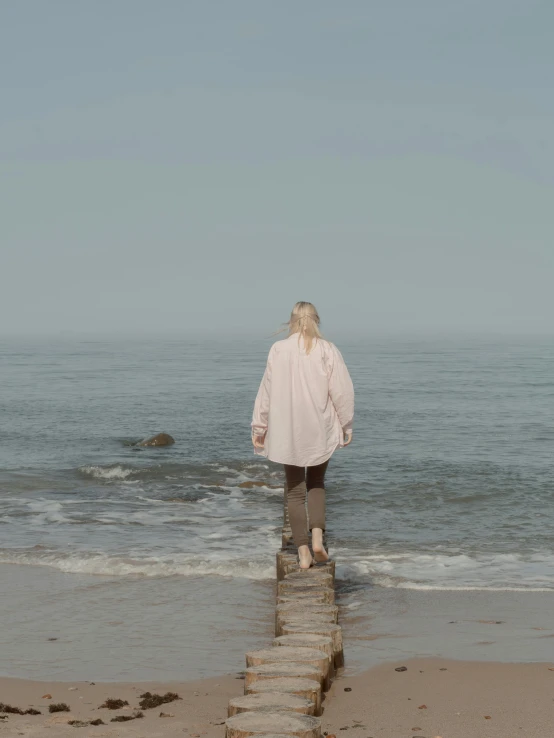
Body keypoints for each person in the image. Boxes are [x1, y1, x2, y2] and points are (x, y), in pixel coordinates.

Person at [251, 302, 355, 570]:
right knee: (317, 482)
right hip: (320, 426)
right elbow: (342, 392)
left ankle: (303, 552)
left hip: (288, 428)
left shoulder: (278, 349)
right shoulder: (327, 349)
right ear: (316, 320)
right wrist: (346, 425)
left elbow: (266, 392)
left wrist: (259, 427)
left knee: (295, 491)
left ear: (292, 321)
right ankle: (318, 538)